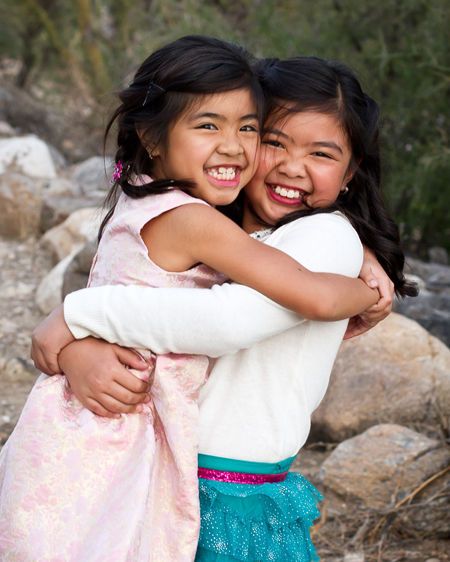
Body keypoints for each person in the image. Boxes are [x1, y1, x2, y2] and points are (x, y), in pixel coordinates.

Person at [0, 41, 382, 561]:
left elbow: (231, 315)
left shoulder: (311, 234)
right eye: (272, 140)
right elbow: (216, 310)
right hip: (140, 456)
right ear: (154, 137)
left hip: (211, 478)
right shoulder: (201, 217)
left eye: (246, 129)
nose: (291, 166)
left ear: (352, 168)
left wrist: (75, 316)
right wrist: (75, 335)